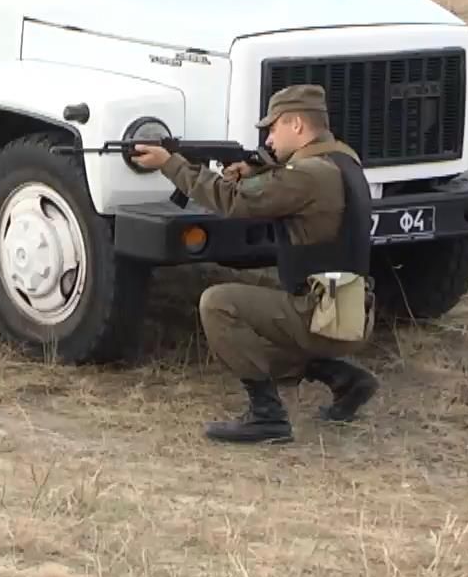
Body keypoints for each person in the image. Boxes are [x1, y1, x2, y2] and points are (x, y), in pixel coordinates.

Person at [132, 83, 380, 445]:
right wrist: (256, 165)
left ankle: (267, 416)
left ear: (296, 124)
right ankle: (342, 378)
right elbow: (283, 176)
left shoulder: (307, 175)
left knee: (218, 304)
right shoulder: (343, 159)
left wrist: (171, 165)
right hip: (349, 309)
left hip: (323, 316)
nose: (268, 136)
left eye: (273, 127)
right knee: (267, 325)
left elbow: (231, 200)